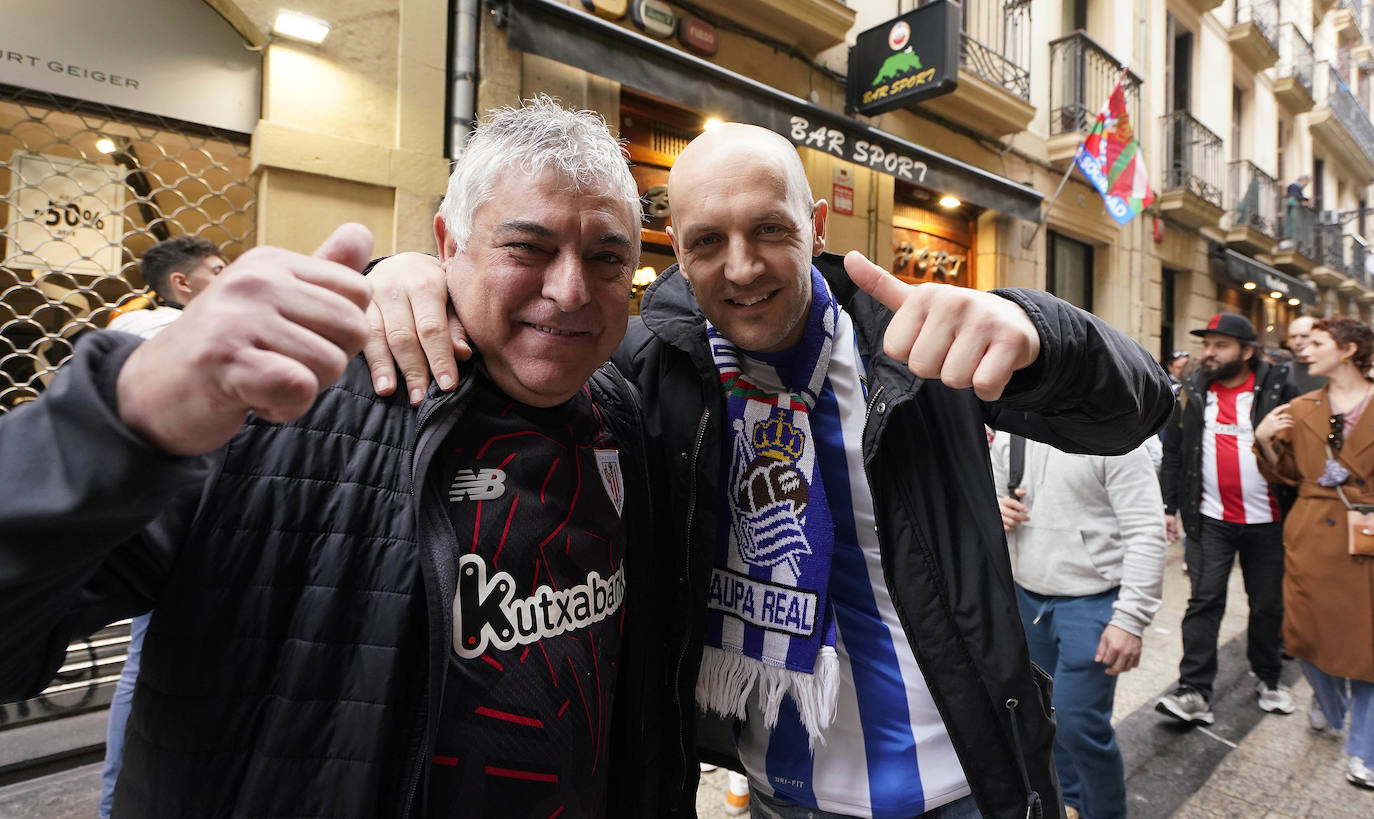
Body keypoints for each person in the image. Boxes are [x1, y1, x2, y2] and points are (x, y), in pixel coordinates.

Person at [365, 122, 1174, 818]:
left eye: (771, 231)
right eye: (708, 242)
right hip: (785, 788)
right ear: (675, 250)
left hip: (966, 776)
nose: (743, 267)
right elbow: (513, 355)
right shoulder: (647, 368)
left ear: (817, 226)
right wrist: (404, 277)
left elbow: (1138, 405)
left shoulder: (916, 343)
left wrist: (1037, 331)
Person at [0, 100, 662, 817]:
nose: (569, 291)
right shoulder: (283, 399)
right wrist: (121, 422)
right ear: (449, 243)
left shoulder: (613, 410)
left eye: (606, 258)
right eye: (526, 248)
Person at [99, 234, 226, 819]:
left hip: (173, 513)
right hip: (170, 517)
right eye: (217, 269)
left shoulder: (131, 330)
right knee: (148, 658)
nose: (226, 279)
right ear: (183, 283)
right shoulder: (157, 333)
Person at [992, 434, 1166, 819]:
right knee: (1043, 717)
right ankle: (1067, 802)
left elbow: (1146, 530)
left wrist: (1130, 619)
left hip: (1093, 599)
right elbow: (991, 491)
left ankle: (1105, 811)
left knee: (1078, 722)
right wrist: (996, 509)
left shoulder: (1118, 436)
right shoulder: (1012, 432)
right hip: (1028, 596)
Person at [1157, 313, 1300, 726]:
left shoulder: (1277, 389)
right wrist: (1170, 509)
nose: (1209, 353)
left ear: (1247, 351)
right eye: (1206, 345)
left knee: (1268, 604)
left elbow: (1299, 451)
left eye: (1220, 345)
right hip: (1209, 519)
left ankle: (1269, 677)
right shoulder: (1192, 390)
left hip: (1269, 520)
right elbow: (1175, 454)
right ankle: (1193, 691)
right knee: (1204, 601)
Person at [1255, 315, 1374, 791]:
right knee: (1303, 636)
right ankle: (1330, 703)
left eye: (1317, 342)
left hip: (1366, 536)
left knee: (1367, 649)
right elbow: (1282, 473)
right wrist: (1264, 439)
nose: (1304, 349)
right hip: (1311, 535)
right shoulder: (1304, 406)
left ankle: (1364, 749)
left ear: (1347, 349)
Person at [106, 235, 226, 337]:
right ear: (182, 283)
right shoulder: (207, 333)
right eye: (218, 272)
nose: (229, 279)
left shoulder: (123, 325)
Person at [1286, 315, 1327, 394]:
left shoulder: (1333, 370)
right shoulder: (1281, 371)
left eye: (1305, 336)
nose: (1298, 342)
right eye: (1293, 337)